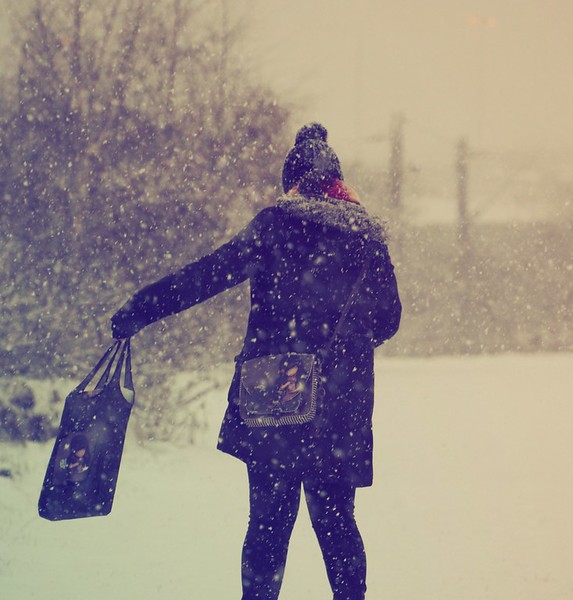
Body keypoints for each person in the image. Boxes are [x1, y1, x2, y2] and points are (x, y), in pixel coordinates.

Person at [110, 123, 402, 600]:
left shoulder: (275, 226)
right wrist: (341, 342)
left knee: (267, 526)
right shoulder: (368, 236)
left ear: (293, 182)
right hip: (339, 407)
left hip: (275, 400)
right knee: (337, 524)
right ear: (337, 180)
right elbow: (388, 319)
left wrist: (141, 308)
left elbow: (206, 275)